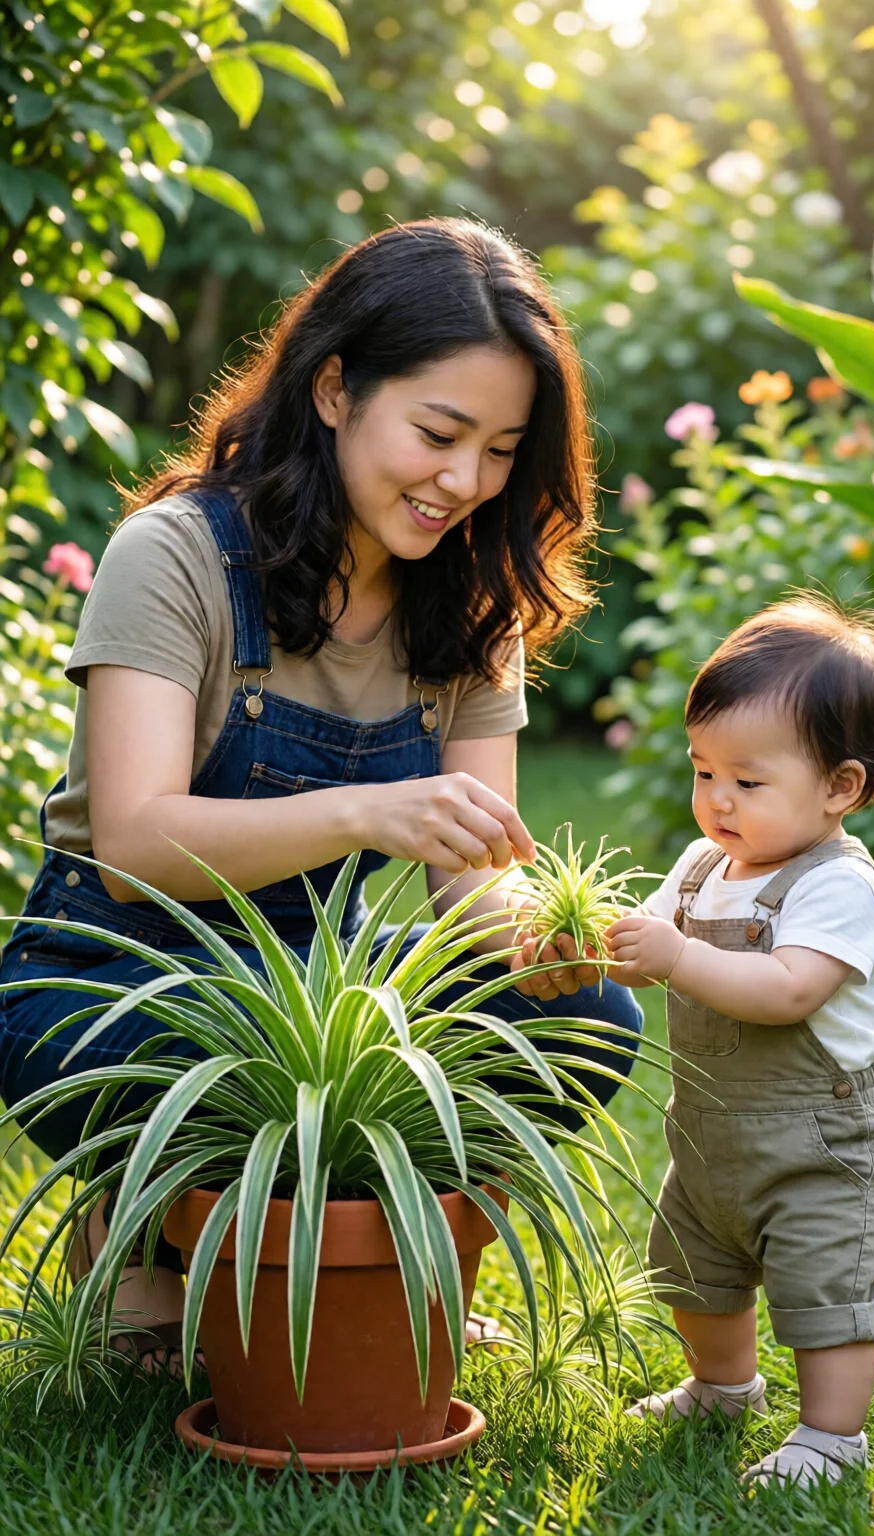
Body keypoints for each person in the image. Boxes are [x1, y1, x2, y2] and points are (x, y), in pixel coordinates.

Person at [0, 217, 642, 1370]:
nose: (465, 482)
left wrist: (546, 939)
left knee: (585, 1027)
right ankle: (144, 1236)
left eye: (501, 450)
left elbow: (472, 886)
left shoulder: (473, 599)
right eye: (438, 433)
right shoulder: (177, 554)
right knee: (202, 1081)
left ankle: (412, 1264)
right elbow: (132, 849)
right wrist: (362, 812)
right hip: (113, 976)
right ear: (336, 388)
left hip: (325, 996)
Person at [606, 598, 874, 1489]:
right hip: (710, 1138)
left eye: (747, 781)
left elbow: (787, 991)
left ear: (839, 787)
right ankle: (722, 1384)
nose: (716, 800)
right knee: (696, 1273)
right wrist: (614, 947)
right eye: (704, 772)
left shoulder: (837, 884)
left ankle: (829, 1437)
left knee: (826, 1295)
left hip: (823, 1148)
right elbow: (649, 952)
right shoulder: (703, 866)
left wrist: (676, 956)